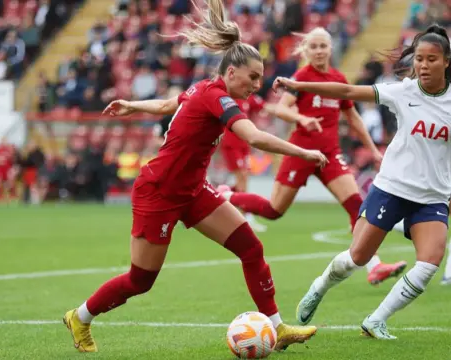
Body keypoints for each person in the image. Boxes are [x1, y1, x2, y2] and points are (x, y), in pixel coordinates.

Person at [62, 0, 326, 352]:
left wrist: (133, 105)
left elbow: (169, 104)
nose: (256, 84)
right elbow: (254, 137)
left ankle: (276, 329)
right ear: (231, 73)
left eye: (260, 78)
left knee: (251, 247)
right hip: (159, 191)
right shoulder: (216, 97)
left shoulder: (201, 89)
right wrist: (305, 151)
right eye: (252, 77)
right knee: (141, 280)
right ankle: (80, 317)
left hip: (193, 191)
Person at [278, 24, 451, 339]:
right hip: (392, 187)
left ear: (446, 61)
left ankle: (376, 320)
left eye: (430, 59)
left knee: (430, 261)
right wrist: (300, 85)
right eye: (419, 58)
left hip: (433, 194)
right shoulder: (403, 90)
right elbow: (350, 92)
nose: (422, 65)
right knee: (357, 258)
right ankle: (320, 285)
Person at [218, 27, 407, 285]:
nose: (319, 51)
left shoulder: (339, 79)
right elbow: (282, 109)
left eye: (323, 46)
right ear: (306, 51)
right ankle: (227, 195)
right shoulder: (301, 77)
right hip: (301, 152)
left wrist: (373, 151)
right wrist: (301, 118)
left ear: (330, 49)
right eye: (314, 47)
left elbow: (354, 119)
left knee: (356, 206)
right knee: (274, 210)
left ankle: (374, 266)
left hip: (329, 154)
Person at [391, 57, 451, 286]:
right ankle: (398, 221)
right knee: (434, 233)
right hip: (427, 174)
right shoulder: (443, 100)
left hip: (447, 175)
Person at [218, 94, 269, 232]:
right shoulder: (227, 98)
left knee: (244, 178)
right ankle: (246, 217)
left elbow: (264, 106)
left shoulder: (248, 97)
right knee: (242, 177)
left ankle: (220, 194)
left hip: (244, 144)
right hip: (231, 143)